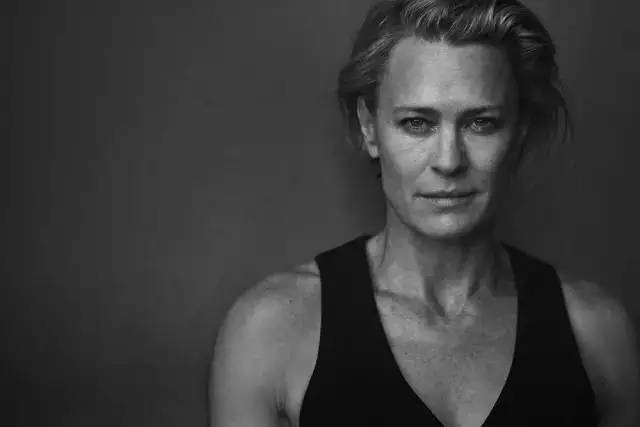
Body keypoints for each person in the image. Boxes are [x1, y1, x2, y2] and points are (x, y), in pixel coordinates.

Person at [210, 0, 640, 425]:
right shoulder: (271, 330)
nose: (449, 161)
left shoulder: (597, 333)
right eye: (417, 123)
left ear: (520, 133)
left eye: (481, 122)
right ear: (369, 128)